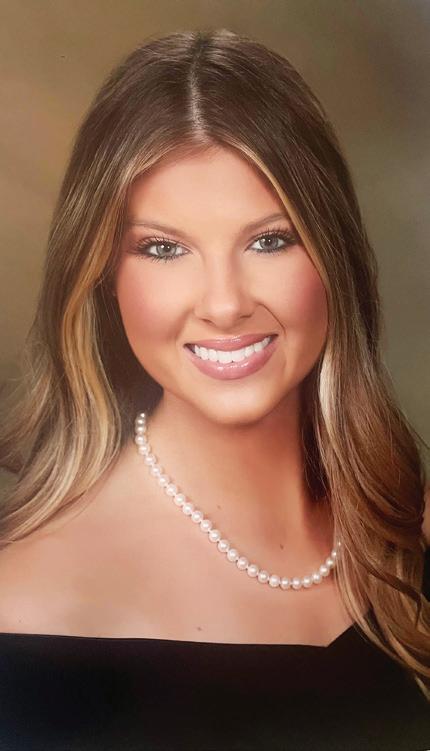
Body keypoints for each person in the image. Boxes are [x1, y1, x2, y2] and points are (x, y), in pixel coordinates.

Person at [0, 27, 429, 751]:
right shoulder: (25, 612)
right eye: (164, 249)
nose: (225, 304)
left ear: (333, 255)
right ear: (103, 276)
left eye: (269, 240)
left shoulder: (405, 530)